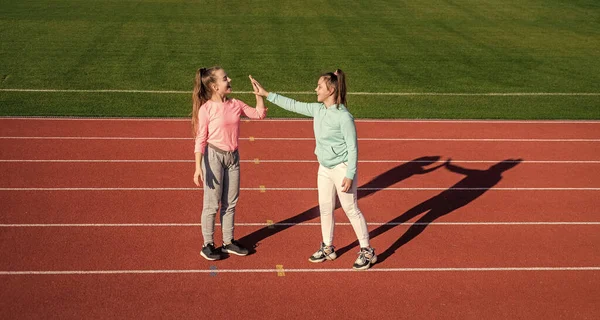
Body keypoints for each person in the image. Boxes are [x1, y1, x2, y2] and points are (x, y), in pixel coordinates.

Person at [249, 70, 376, 270]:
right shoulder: (318, 110)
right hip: (324, 168)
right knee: (325, 208)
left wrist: (350, 174)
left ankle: (367, 251)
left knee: (350, 209)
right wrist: (266, 94)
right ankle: (327, 247)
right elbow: (293, 105)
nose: (315, 89)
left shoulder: (344, 117)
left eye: (319, 86)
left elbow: (353, 148)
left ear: (331, 90)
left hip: (342, 169)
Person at [192, 67, 267, 261]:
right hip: (214, 157)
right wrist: (198, 166)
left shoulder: (236, 104)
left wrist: (259, 95)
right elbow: (201, 138)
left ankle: (228, 242)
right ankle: (207, 244)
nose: (230, 80)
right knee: (212, 204)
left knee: (230, 202)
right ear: (215, 86)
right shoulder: (206, 109)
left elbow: (259, 114)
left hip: (233, 158)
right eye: (225, 78)